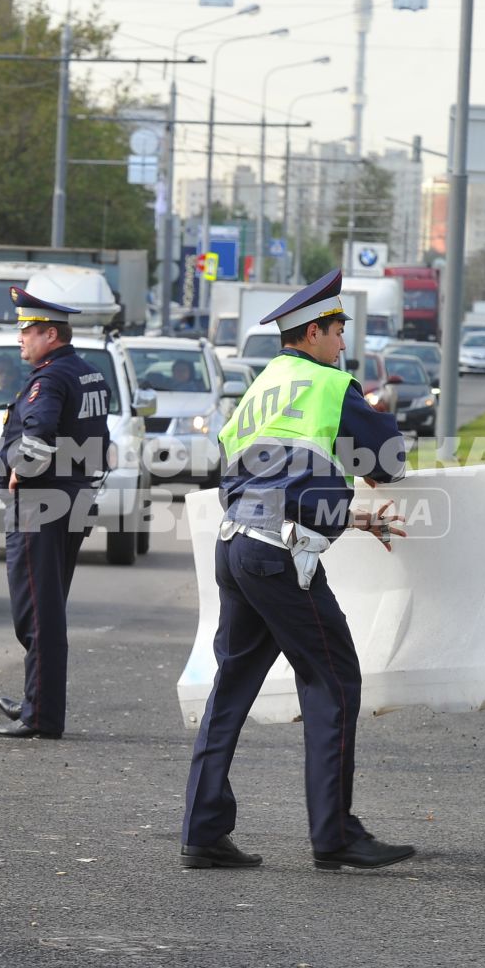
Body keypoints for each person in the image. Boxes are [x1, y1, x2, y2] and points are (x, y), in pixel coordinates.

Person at [179, 270, 415, 872]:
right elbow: (389, 464)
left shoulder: (260, 388)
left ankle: (202, 830)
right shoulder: (329, 385)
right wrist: (374, 431)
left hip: (236, 547)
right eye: (337, 331)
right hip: (280, 557)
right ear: (313, 331)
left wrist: (346, 517)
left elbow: (250, 482)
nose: (342, 344)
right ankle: (334, 834)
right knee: (333, 681)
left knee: (230, 685)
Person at [0, 286, 111, 740]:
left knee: (36, 613)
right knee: (47, 608)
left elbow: (36, 436)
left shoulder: (50, 379)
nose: (21, 340)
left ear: (51, 335)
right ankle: (34, 700)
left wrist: (20, 471)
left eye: (28, 332)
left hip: (41, 504)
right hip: (71, 499)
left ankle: (41, 716)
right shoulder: (89, 374)